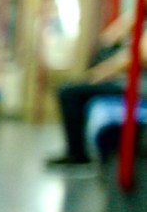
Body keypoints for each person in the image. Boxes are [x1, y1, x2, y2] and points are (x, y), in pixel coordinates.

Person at [48, 9, 147, 167]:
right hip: (129, 83)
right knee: (73, 90)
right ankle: (77, 151)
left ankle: (77, 154)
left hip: (140, 88)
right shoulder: (139, 20)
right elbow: (108, 39)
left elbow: (139, 56)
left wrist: (99, 74)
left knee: (69, 93)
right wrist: (130, 20)